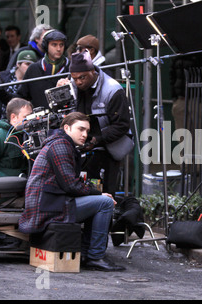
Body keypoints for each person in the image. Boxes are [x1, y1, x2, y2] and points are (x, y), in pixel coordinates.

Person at [18, 112, 125, 271]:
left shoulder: (60, 143)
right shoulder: (60, 145)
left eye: (87, 131)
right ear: (66, 128)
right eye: (80, 129)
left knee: (99, 202)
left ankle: (86, 253)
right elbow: (70, 185)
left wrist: (93, 193)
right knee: (105, 202)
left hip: (50, 203)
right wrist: (97, 193)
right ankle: (95, 257)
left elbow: (69, 184)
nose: (85, 134)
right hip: (47, 207)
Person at [57, 51, 131, 194]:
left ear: (93, 71)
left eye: (82, 77)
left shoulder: (113, 90)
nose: (78, 82)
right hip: (79, 147)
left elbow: (122, 125)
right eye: (75, 78)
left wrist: (97, 139)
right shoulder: (72, 85)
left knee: (105, 192)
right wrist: (62, 91)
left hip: (107, 148)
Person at [0, 29, 70, 109]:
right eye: (54, 45)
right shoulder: (33, 69)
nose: (58, 49)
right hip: (40, 119)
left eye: (61, 45)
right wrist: (1, 93)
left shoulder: (71, 67)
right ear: (46, 46)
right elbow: (21, 99)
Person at [0, 50, 38, 127]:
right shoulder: (1, 79)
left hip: (24, 125)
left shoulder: (34, 82)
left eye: (32, 65)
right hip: (0, 123)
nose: (29, 68)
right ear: (18, 64)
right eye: (27, 64)